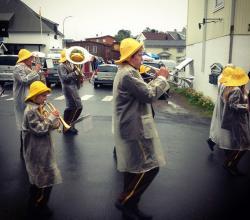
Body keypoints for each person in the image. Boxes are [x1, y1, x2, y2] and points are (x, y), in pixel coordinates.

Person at [113, 38, 169, 220]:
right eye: (139, 55)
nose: (142, 58)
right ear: (129, 57)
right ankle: (124, 200)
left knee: (133, 169)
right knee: (150, 168)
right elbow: (149, 95)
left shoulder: (127, 72)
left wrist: (154, 80)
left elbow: (143, 91)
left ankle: (131, 207)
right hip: (134, 128)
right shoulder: (129, 74)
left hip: (131, 126)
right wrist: (161, 78)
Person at [22, 81, 62, 217]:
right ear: (35, 97)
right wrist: (51, 118)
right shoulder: (30, 112)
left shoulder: (39, 107)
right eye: (43, 96)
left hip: (44, 150)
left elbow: (48, 125)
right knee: (39, 182)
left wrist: (56, 122)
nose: (46, 98)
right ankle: (36, 206)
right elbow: (39, 129)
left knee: (47, 178)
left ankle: (41, 204)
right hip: (36, 151)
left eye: (45, 95)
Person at [220, 67, 250, 176]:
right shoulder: (236, 90)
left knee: (241, 144)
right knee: (244, 144)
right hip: (238, 121)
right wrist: (246, 107)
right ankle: (231, 164)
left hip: (238, 121)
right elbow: (233, 105)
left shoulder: (234, 88)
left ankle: (230, 163)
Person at [13, 49, 41, 155]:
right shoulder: (18, 67)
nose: (32, 60)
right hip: (22, 99)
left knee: (31, 122)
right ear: (25, 58)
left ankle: (29, 147)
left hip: (30, 98)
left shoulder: (27, 67)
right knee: (23, 123)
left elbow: (36, 79)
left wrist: (36, 71)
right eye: (30, 58)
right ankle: (24, 148)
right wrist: (35, 71)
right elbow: (24, 80)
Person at [207, 65, 235, 151]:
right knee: (224, 126)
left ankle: (213, 141)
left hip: (220, 104)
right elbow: (225, 97)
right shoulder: (226, 82)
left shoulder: (221, 78)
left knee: (218, 124)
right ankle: (226, 146)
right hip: (224, 105)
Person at [57, 49, 83, 135]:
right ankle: (69, 125)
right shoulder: (61, 66)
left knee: (71, 107)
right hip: (68, 88)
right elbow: (65, 78)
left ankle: (68, 126)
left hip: (73, 88)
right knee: (77, 107)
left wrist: (79, 74)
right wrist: (75, 73)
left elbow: (75, 76)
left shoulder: (70, 64)